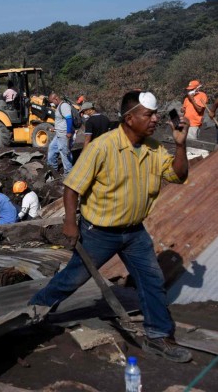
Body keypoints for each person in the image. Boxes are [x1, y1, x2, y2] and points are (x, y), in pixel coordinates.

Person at [29, 90, 192, 363]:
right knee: (72, 279)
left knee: (151, 281)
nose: (155, 119)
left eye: (155, 114)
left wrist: (180, 145)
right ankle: (32, 314)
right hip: (100, 232)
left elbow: (178, 175)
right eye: (148, 115)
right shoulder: (102, 147)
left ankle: (158, 336)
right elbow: (72, 188)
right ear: (129, 119)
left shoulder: (154, 148)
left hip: (135, 233)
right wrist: (70, 223)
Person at [47, 92, 73, 176]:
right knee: (52, 148)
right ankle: (53, 169)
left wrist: (68, 132)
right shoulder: (59, 107)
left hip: (64, 135)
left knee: (64, 153)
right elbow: (61, 120)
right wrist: (55, 128)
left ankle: (68, 173)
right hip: (58, 133)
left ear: (56, 99)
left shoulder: (64, 106)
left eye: (52, 101)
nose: (52, 104)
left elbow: (69, 119)